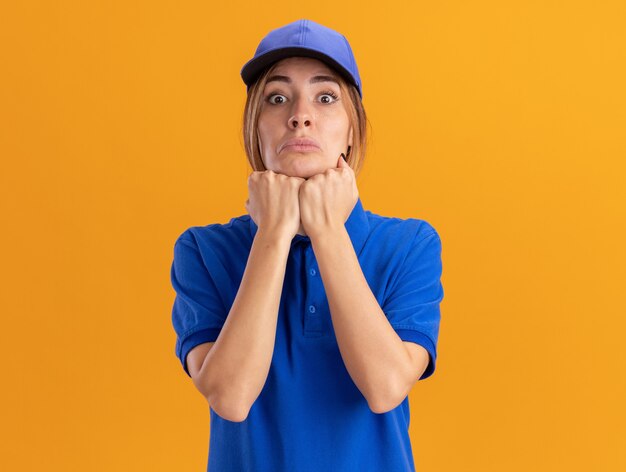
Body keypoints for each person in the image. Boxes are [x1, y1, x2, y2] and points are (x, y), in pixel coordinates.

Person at [170, 18, 444, 472]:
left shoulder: (409, 244)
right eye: (277, 98)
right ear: (254, 130)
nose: (300, 114)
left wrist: (327, 231)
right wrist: (273, 235)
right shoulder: (203, 250)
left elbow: (385, 386)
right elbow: (231, 398)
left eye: (325, 97)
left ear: (353, 130)